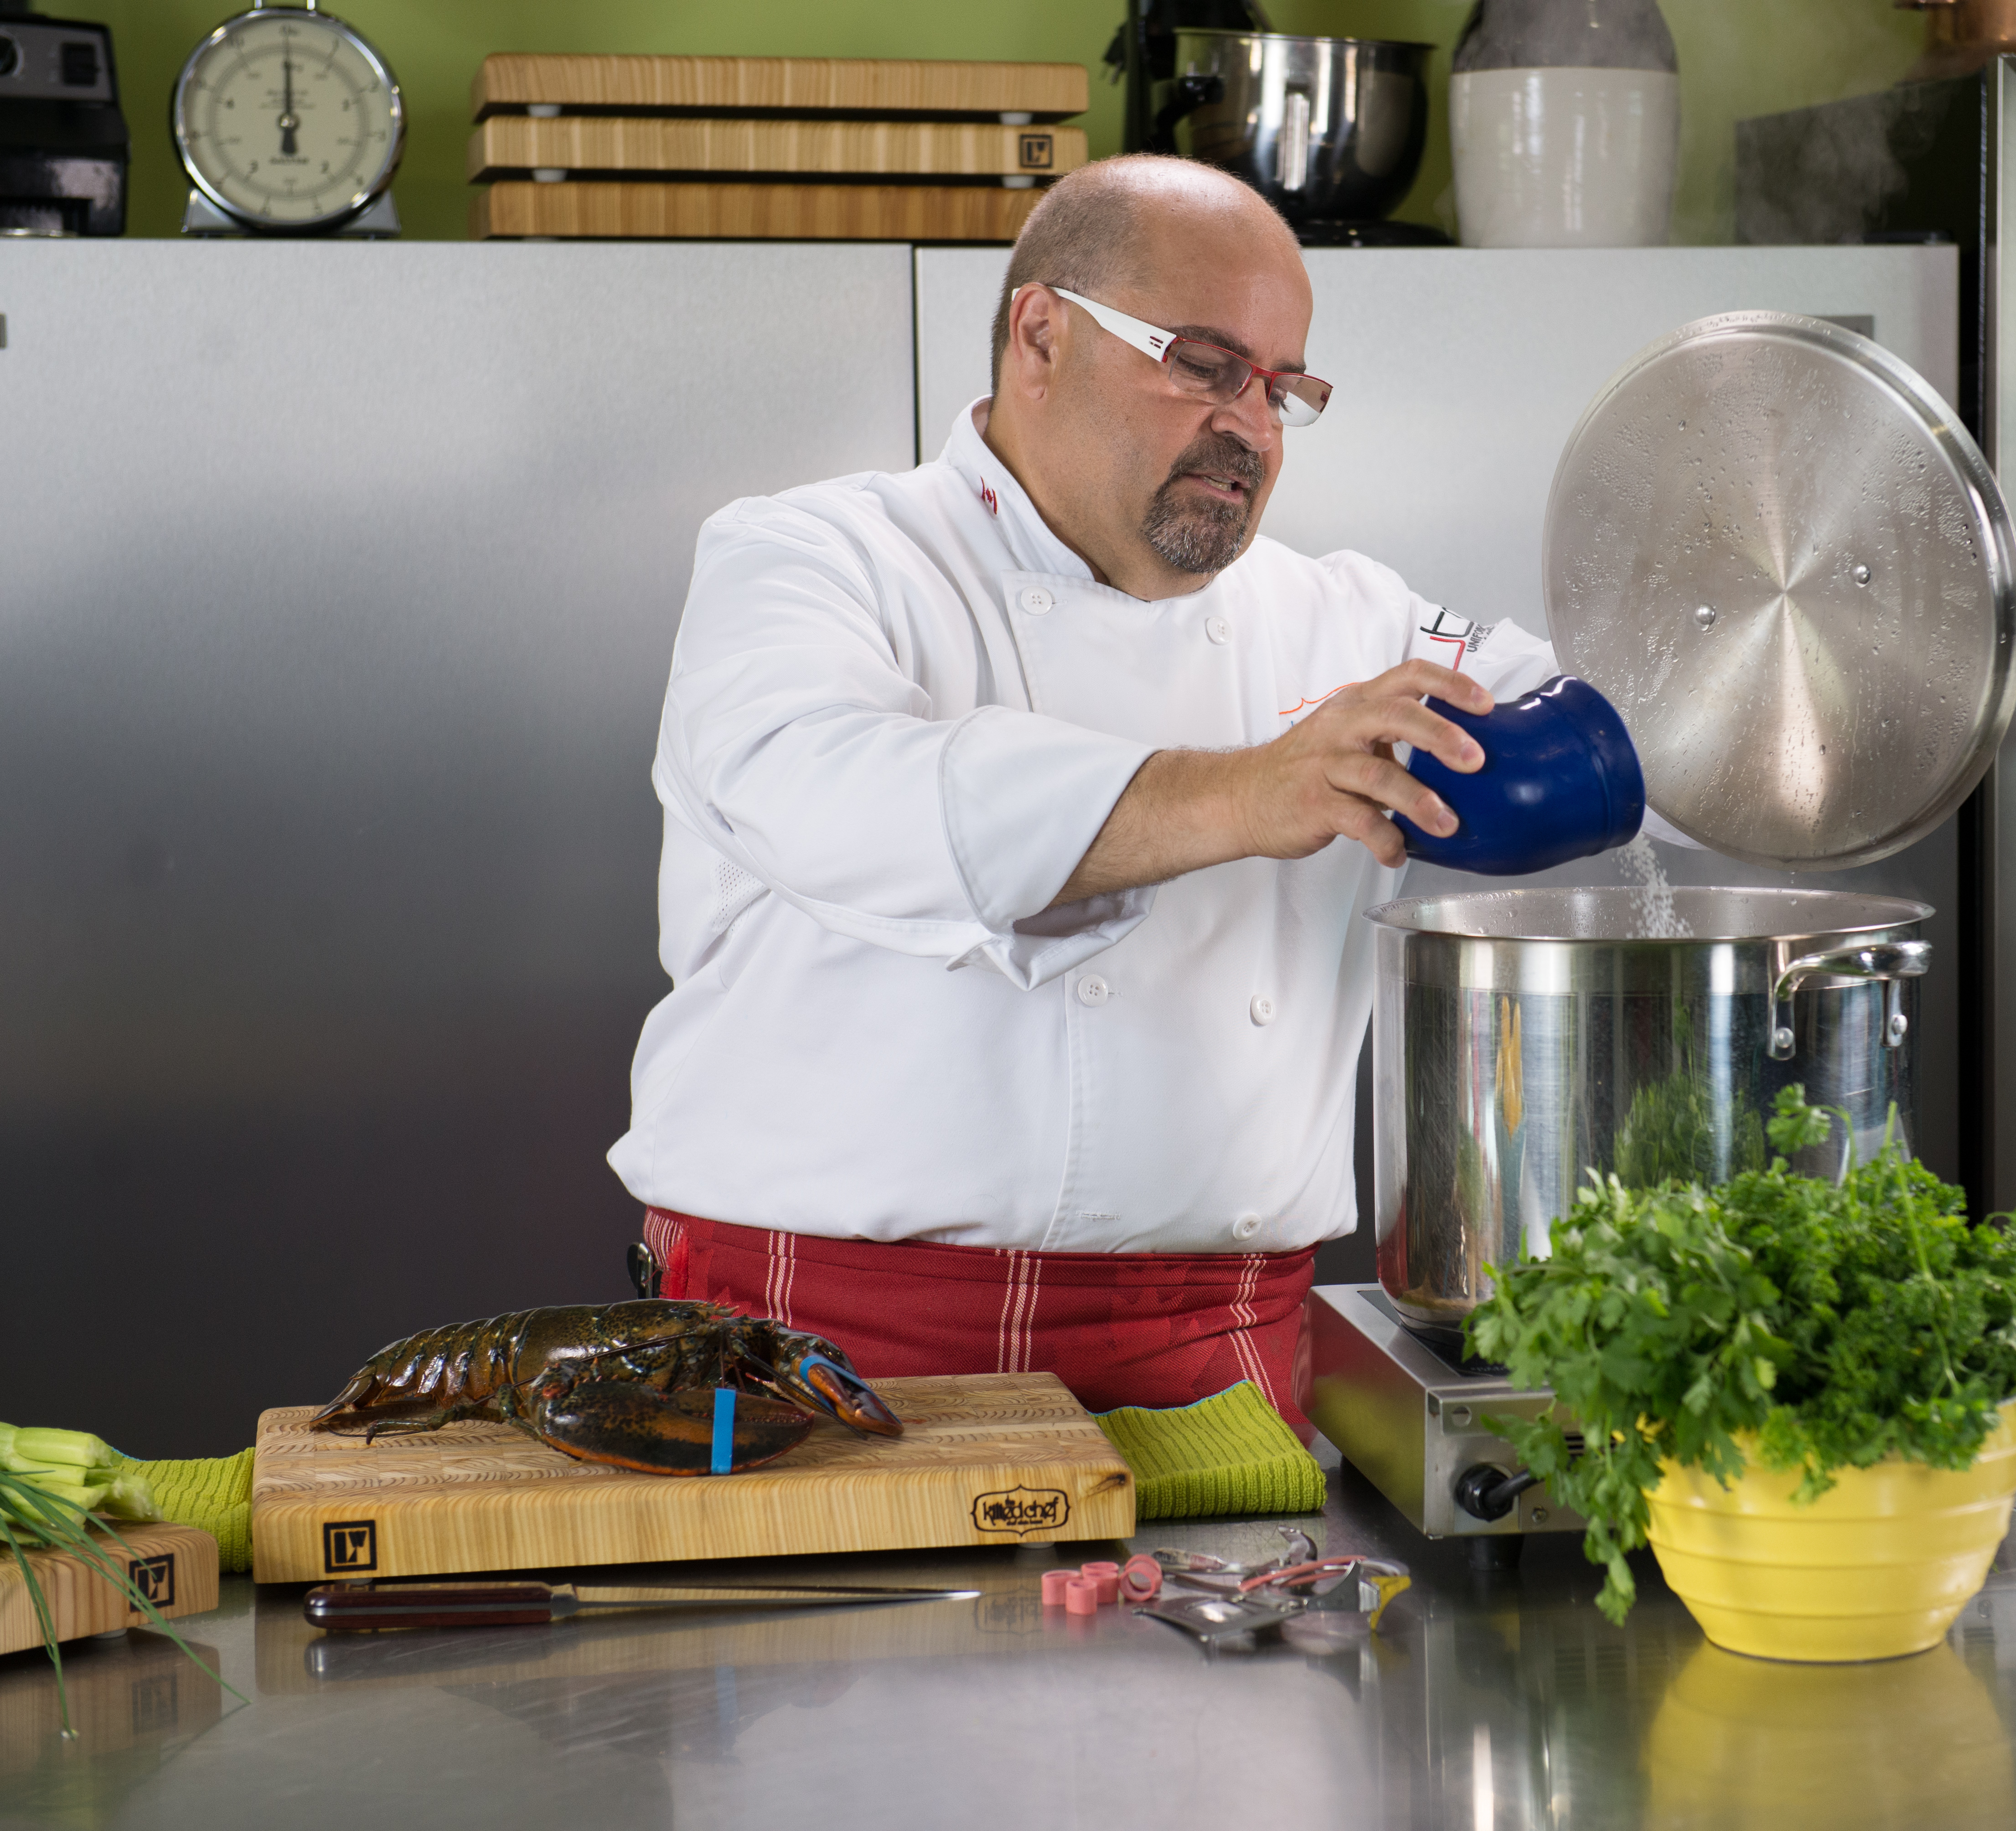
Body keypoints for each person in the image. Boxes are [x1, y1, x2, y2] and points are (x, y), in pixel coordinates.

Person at [610, 155, 1575, 1436]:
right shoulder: (816, 558)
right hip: (823, 1341)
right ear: (1042, 333)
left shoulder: (1349, 617)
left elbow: (1607, 746)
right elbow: (832, 791)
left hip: (1220, 1360)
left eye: (1285, 388)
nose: (1255, 426)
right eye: (1207, 364)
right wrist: (1245, 796)